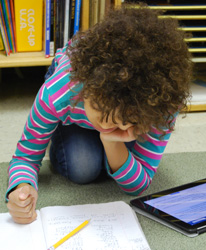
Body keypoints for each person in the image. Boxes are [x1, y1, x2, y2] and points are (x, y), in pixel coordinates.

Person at [6, 4, 192, 224]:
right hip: (73, 110)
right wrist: (20, 188)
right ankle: (65, 133)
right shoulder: (59, 91)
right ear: (87, 88)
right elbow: (25, 156)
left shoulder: (159, 103)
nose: (107, 123)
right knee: (83, 167)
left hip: (123, 112)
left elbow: (139, 185)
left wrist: (112, 141)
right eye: (102, 109)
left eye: (124, 119)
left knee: (111, 163)